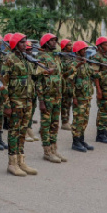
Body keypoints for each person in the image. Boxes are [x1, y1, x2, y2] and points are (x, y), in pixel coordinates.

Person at [1, 33, 42, 177]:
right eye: (22, 42)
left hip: (27, 100)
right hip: (15, 101)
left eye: (26, 42)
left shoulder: (25, 58)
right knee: (14, 131)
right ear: (15, 44)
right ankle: (12, 163)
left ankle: (21, 160)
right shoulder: (8, 59)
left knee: (23, 131)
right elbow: (3, 83)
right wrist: (6, 104)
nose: (25, 44)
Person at [36, 33, 68, 163]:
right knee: (46, 124)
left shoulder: (56, 58)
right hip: (47, 97)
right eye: (52, 41)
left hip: (57, 96)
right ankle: (47, 151)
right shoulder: (41, 58)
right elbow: (38, 80)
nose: (55, 43)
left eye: (55, 40)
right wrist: (41, 100)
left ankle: (54, 149)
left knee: (55, 124)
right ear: (45, 43)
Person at [69, 41, 95, 152]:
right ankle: (75, 142)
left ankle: (81, 139)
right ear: (78, 51)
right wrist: (74, 97)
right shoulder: (74, 63)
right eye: (83, 49)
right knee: (78, 120)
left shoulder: (85, 62)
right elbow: (70, 80)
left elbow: (92, 75)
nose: (85, 51)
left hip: (86, 95)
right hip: (79, 96)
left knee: (85, 119)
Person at [59, 39, 75, 130]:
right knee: (64, 104)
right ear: (64, 47)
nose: (71, 47)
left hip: (70, 84)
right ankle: (64, 122)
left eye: (71, 45)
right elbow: (64, 72)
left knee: (68, 103)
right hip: (64, 84)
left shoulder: (71, 57)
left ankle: (66, 121)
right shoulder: (61, 58)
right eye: (69, 45)